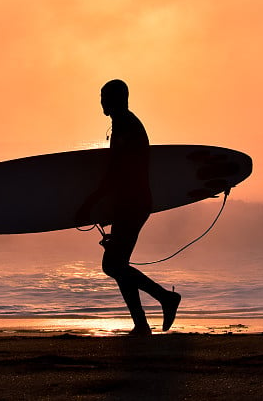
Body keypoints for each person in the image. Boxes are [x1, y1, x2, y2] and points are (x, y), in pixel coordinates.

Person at [76, 79, 181, 336]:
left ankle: (165, 299)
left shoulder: (127, 126)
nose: (100, 102)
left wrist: (91, 202)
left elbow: (118, 173)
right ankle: (142, 324)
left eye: (104, 97)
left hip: (133, 204)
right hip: (129, 204)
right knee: (118, 264)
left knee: (112, 265)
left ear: (118, 99)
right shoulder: (123, 124)